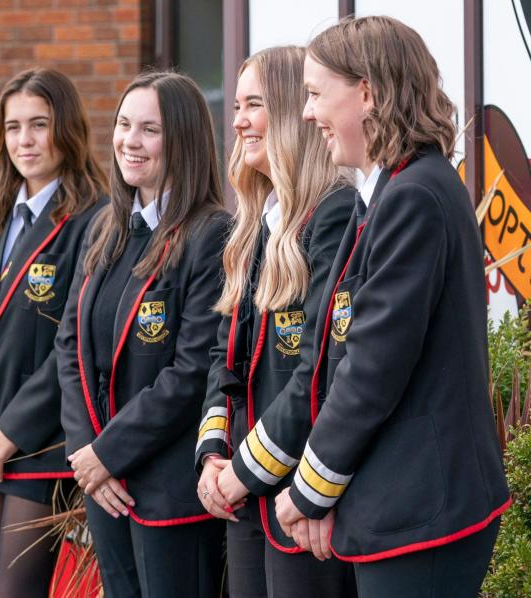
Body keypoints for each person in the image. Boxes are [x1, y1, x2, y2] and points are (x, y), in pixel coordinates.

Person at [271, 16, 510, 597]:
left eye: (314, 93)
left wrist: (307, 492)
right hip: (403, 503)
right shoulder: (391, 192)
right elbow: (339, 356)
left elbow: (373, 368)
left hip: (421, 510)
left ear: (369, 93)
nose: (306, 114)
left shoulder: (413, 197)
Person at [0, 68, 107, 597]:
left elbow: (76, 342)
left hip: (40, 445)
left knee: (19, 593)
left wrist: (13, 429)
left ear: (68, 130)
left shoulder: (94, 219)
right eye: (13, 128)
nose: (24, 141)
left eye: (39, 125)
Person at [56, 71, 229, 597]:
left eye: (149, 129)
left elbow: (192, 370)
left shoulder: (210, 233)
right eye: (124, 124)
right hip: (105, 485)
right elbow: (70, 348)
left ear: (183, 139)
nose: (130, 141)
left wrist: (110, 453)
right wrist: (90, 456)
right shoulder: (105, 226)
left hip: (166, 489)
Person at [194, 46, 356, 598]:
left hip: (301, 496)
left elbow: (319, 375)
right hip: (245, 491)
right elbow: (225, 355)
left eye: (254, 104)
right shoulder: (255, 222)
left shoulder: (333, 213)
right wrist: (213, 453)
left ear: (290, 111)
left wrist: (241, 472)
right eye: (236, 105)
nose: (237, 120)